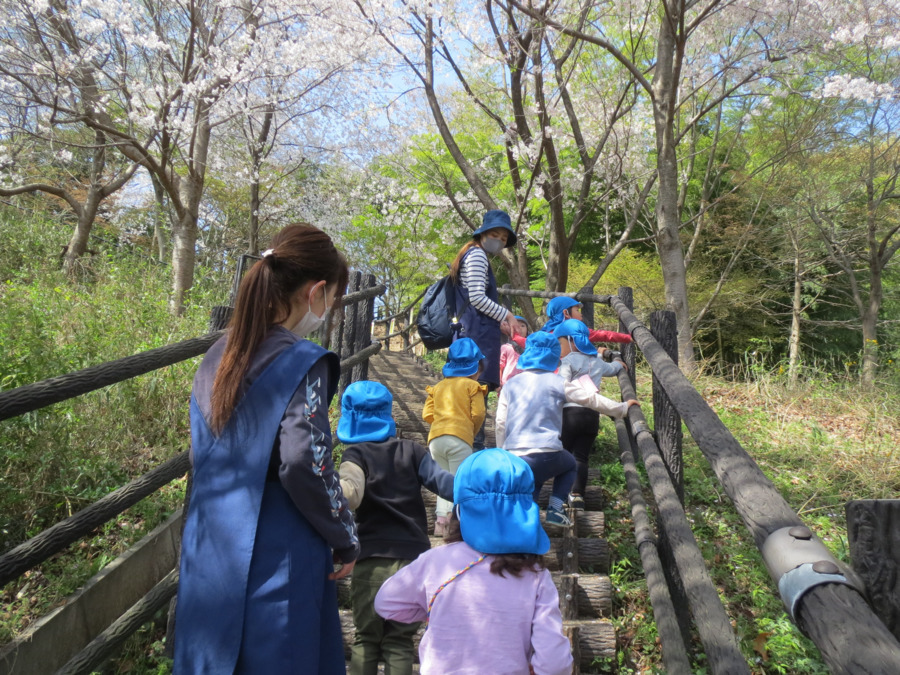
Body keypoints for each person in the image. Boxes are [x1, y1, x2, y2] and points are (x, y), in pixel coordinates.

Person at [174, 224, 357, 675]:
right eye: (332, 297)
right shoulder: (303, 360)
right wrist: (345, 536)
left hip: (208, 554)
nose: (329, 308)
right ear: (316, 292)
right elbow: (304, 461)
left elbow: (202, 455)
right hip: (279, 556)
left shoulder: (216, 356)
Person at [373, 448, 574, 675]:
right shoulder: (536, 576)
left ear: (459, 512)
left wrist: (436, 608)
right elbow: (555, 663)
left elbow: (385, 603)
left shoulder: (435, 562)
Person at [336, 380, 454, 675]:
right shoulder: (413, 451)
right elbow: (443, 484)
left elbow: (350, 494)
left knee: (366, 639)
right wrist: (476, 486)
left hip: (372, 558)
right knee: (400, 642)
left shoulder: (355, 456)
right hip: (413, 561)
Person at [496, 331, 640, 527]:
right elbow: (591, 399)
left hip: (515, 455)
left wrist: (502, 451)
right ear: (554, 357)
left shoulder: (510, 384)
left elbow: (500, 423)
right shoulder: (557, 383)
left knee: (533, 487)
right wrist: (621, 408)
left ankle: (522, 533)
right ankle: (555, 508)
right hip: (546, 452)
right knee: (570, 463)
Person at [450, 209, 524, 449]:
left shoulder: (472, 255)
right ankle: (473, 454)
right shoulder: (478, 256)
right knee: (475, 398)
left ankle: (465, 451)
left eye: (504, 238)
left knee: (467, 397)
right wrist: (508, 314)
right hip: (476, 339)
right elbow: (477, 298)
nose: (500, 241)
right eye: (495, 235)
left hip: (472, 335)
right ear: (482, 234)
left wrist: (498, 320)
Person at [555, 319, 628, 510]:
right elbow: (613, 369)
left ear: (571, 341)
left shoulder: (568, 361)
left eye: (560, 342)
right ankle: (578, 494)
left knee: (564, 454)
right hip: (591, 414)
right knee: (581, 457)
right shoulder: (596, 361)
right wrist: (619, 362)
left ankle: (560, 495)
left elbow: (561, 384)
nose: (559, 347)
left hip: (569, 414)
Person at [422, 338, 488, 536]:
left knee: (443, 480)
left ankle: (440, 522)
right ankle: (453, 526)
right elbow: (478, 414)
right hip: (460, 437)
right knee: (458, 481)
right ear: (477, 367)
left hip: (435, 439)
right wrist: (471, 431)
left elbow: (427, 414)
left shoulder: (439, 386)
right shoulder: (472, 386)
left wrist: (441, 423)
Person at [541, 296, 632, 345]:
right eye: (577, 310)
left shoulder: (546, 331)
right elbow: (603, 335)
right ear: (566, 313)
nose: (581, 313)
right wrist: (628, 337)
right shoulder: (575, 330)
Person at [498, 315, 529, 390]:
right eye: (516, 325)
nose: (519, 328)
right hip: (508, 387)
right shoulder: (506, 348)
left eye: (522, 326)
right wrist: (499, 383)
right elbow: (500, 367)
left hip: (527, 387)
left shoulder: (531, 348)